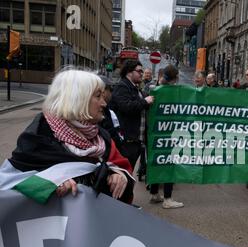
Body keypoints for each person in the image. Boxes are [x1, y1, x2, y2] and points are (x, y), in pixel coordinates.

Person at [7, 69, 134, 203]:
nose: (104, 103)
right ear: (77, 99)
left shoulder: (102, 136)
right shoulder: (37, 138)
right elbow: (13, 182)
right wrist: (49, 184)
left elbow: (123, 168)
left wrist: (119, 175)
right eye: (98, 96)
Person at [149, 65, 184, 209]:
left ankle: (154, 193)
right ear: (175, 78)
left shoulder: (155, 89)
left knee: (157, 161)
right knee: (170, 164)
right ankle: (168, 199)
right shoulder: (174, 92)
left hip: (156, 132)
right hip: (170, 133)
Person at [108, 60, 154, 170]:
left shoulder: (134, 88)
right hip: (127, 142)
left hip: (135, 141)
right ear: (129, 72)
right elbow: (127, 107)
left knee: (129, 173)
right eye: (139, 71)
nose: (141, 74)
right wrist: (145, 102)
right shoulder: (122, 87)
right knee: (125, 174)